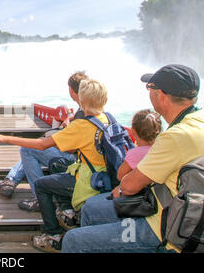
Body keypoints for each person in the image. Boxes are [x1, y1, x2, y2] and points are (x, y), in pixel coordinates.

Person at [62, 64, 203, 253]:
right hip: (177, 210)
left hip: (162, 226)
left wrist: (125, 183)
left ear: (160, 94)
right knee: (91, 208)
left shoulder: (176, 137)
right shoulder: (197, 120)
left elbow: (128, 186)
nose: (149, 92)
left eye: (149, 87)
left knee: (74, 240)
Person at [0, 78, 110, 252]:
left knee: (42, 185)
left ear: (81, 101)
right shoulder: (106, 119)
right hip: (104, 178)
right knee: (57, 164)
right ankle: (66, 211)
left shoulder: (82, 126)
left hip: (87, 181)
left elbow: (41, 145)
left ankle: (53, 235)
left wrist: (3, 138)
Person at [0, 71, 89, 213]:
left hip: (75, 160)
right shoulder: (88, 108)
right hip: (84, 160)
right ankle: (10, 180)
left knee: (29, 150)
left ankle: (38, 197)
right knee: (35, 149)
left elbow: (69, 148)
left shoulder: (82, 114)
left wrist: (5, 138)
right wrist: (69, 120)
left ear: (71, 91)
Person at [115, 109, 162, 183]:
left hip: (141, 191)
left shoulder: (134, 153)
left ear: (133, 131)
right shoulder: (162, 149)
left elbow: (120, 176)